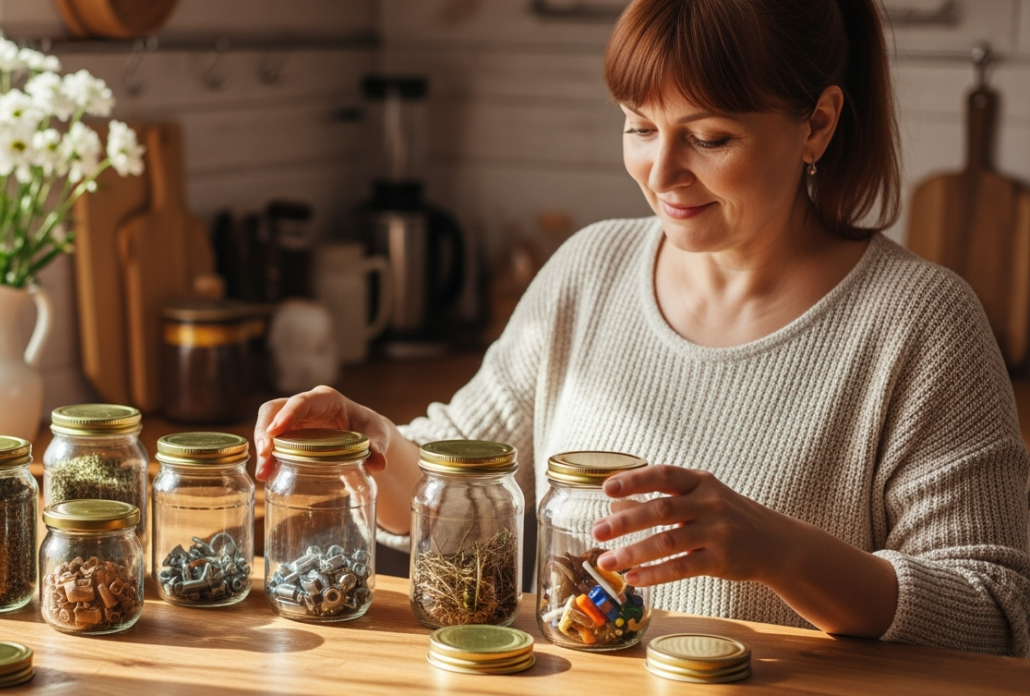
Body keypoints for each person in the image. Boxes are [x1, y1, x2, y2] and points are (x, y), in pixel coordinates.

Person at [254, 0, 1030, 657]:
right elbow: (458, 495)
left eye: (710, 137)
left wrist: (781, 552)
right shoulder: (587, 271)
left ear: (817, 125)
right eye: (638, 126)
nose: (661, 173)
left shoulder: (922, 324)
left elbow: (997, 613)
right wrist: (367, 443)